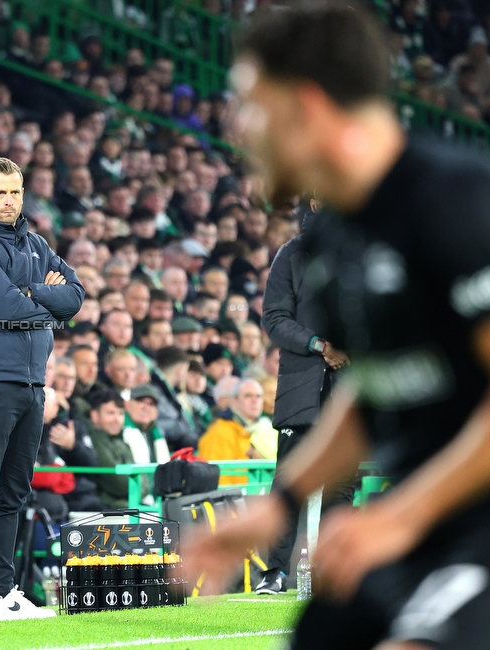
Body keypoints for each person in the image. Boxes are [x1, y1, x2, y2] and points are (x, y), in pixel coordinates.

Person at [185, 7, 490, 649]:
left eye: (250, 105)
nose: (239, 128)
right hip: (427, 524)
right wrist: (279, 505)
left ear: (307, 106)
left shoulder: (462, 204)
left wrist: (402, 516)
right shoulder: (328, 238)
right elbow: (372, 386)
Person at [0, 157, 83, 622]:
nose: (9, 200)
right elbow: (5, 305)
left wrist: (31, 294)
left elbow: (77, 294)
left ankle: (4, 592)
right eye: (0, 192)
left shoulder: (36, 242)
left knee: (13, 492)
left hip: (31, 381)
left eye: (16, 192)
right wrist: (41, 296)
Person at [255, 201, 352, 595]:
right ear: (314, 202)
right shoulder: (292, 254)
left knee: (342, 486)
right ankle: (275, 571)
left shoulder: (359, 251)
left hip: (349, 388)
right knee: (290, 480)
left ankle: (335, 569)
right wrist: (319, 344)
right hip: (303, 388)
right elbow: (274, 318)